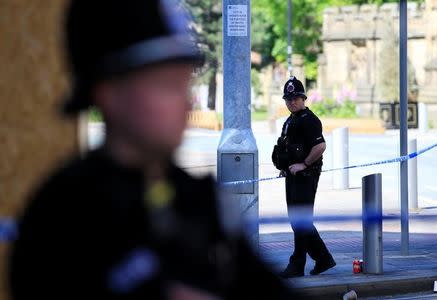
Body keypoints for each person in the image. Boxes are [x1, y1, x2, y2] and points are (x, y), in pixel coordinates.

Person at [9, 1, 302, 299]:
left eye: (184, 84)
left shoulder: (201, 200)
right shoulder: (61, 216)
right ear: (109, 94)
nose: (186, 104)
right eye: (167, 85)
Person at [272, 76, 335, 278]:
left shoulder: (310, 120)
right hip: (294, 175)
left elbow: (320, 146)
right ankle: (323, 259)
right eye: (289, 99)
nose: (292, 101)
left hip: (306, 175)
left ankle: (298, 264)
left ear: (303, 98)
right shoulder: (291, 120)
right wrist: (287, 165)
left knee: (300, 220)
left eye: (296, 98)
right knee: (297, 220)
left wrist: (304, 164)